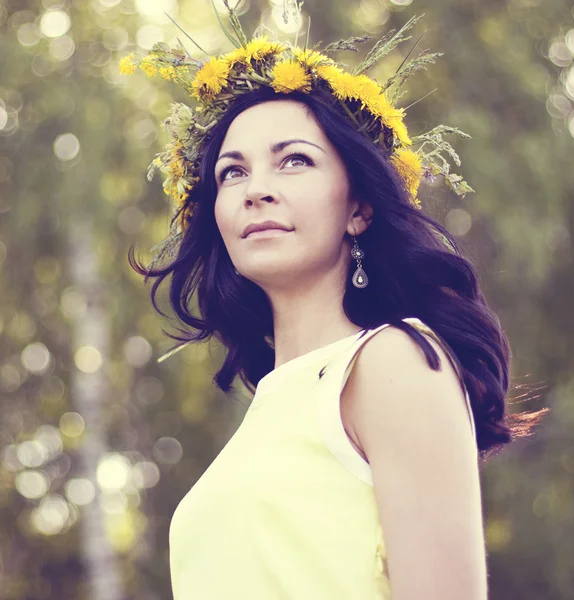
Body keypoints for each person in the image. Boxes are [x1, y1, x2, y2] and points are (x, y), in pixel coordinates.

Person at [126, 7, 548, 599]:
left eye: (294, 160)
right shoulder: (270, 408)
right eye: (231, 172)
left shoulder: (392, 362)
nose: (257, 189)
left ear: (359, 208)